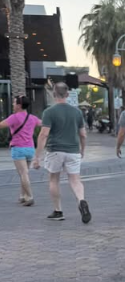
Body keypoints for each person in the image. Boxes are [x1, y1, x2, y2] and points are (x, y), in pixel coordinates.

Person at [33, 82, 91, 224]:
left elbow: (44, 134)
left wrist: (37, 157)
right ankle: (81, 200)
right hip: (73, 151)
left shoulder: (49, 112)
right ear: (67, 94)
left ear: (54, 94)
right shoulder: (77, 112)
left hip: (55, 150)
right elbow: (83, 134)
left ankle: (58, 211)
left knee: (54, 179)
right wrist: (82, 150)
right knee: (75, 180)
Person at [0, 96, 41, 206]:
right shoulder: (32, 118)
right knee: (24, 173)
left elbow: (1, 125)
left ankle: (30, 196)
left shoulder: (14, 117)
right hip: (30, 149)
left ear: (19, 105)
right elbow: (43, 123)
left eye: (14, 103)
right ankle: (23, 196)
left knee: (23, 173)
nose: (13, 105)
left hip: (18, 148)